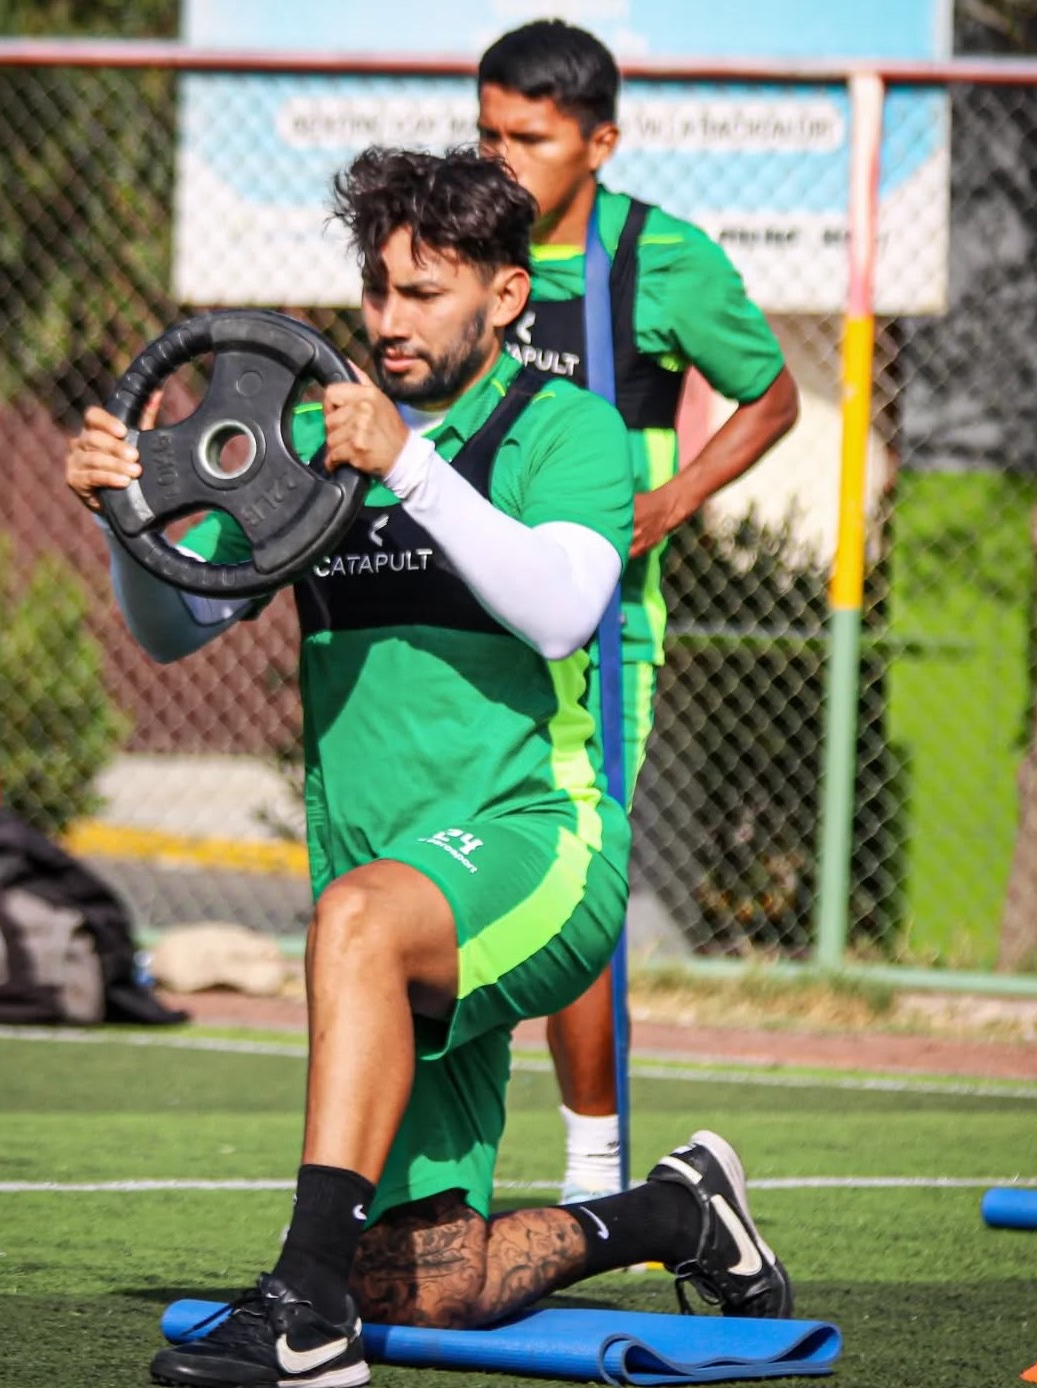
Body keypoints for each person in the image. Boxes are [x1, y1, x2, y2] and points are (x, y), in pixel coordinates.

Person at [66, 146, 791, 1388]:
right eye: (377, 289)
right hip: (387, 885)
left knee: (353, 926)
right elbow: (178, 628)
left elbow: (563, 607)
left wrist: (405, 461)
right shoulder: (307, 437)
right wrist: (130, 518)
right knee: (432, 1279)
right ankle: (677, 1212)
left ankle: (301, 1315)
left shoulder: (570, 431)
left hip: (538, 850)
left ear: (507, 297)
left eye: (424, 292)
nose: (388, 322)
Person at [477, 20, 802, 1203]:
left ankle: (596, 1179)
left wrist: (668, 500)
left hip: (603, 638)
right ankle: (434, 1177)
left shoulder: (660, 260)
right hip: (462, 619)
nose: (501, 157)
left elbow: (772, 398)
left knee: (573, 877)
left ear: (599, 141)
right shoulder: (463, 248)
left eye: (530, 136)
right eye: (486, 131)